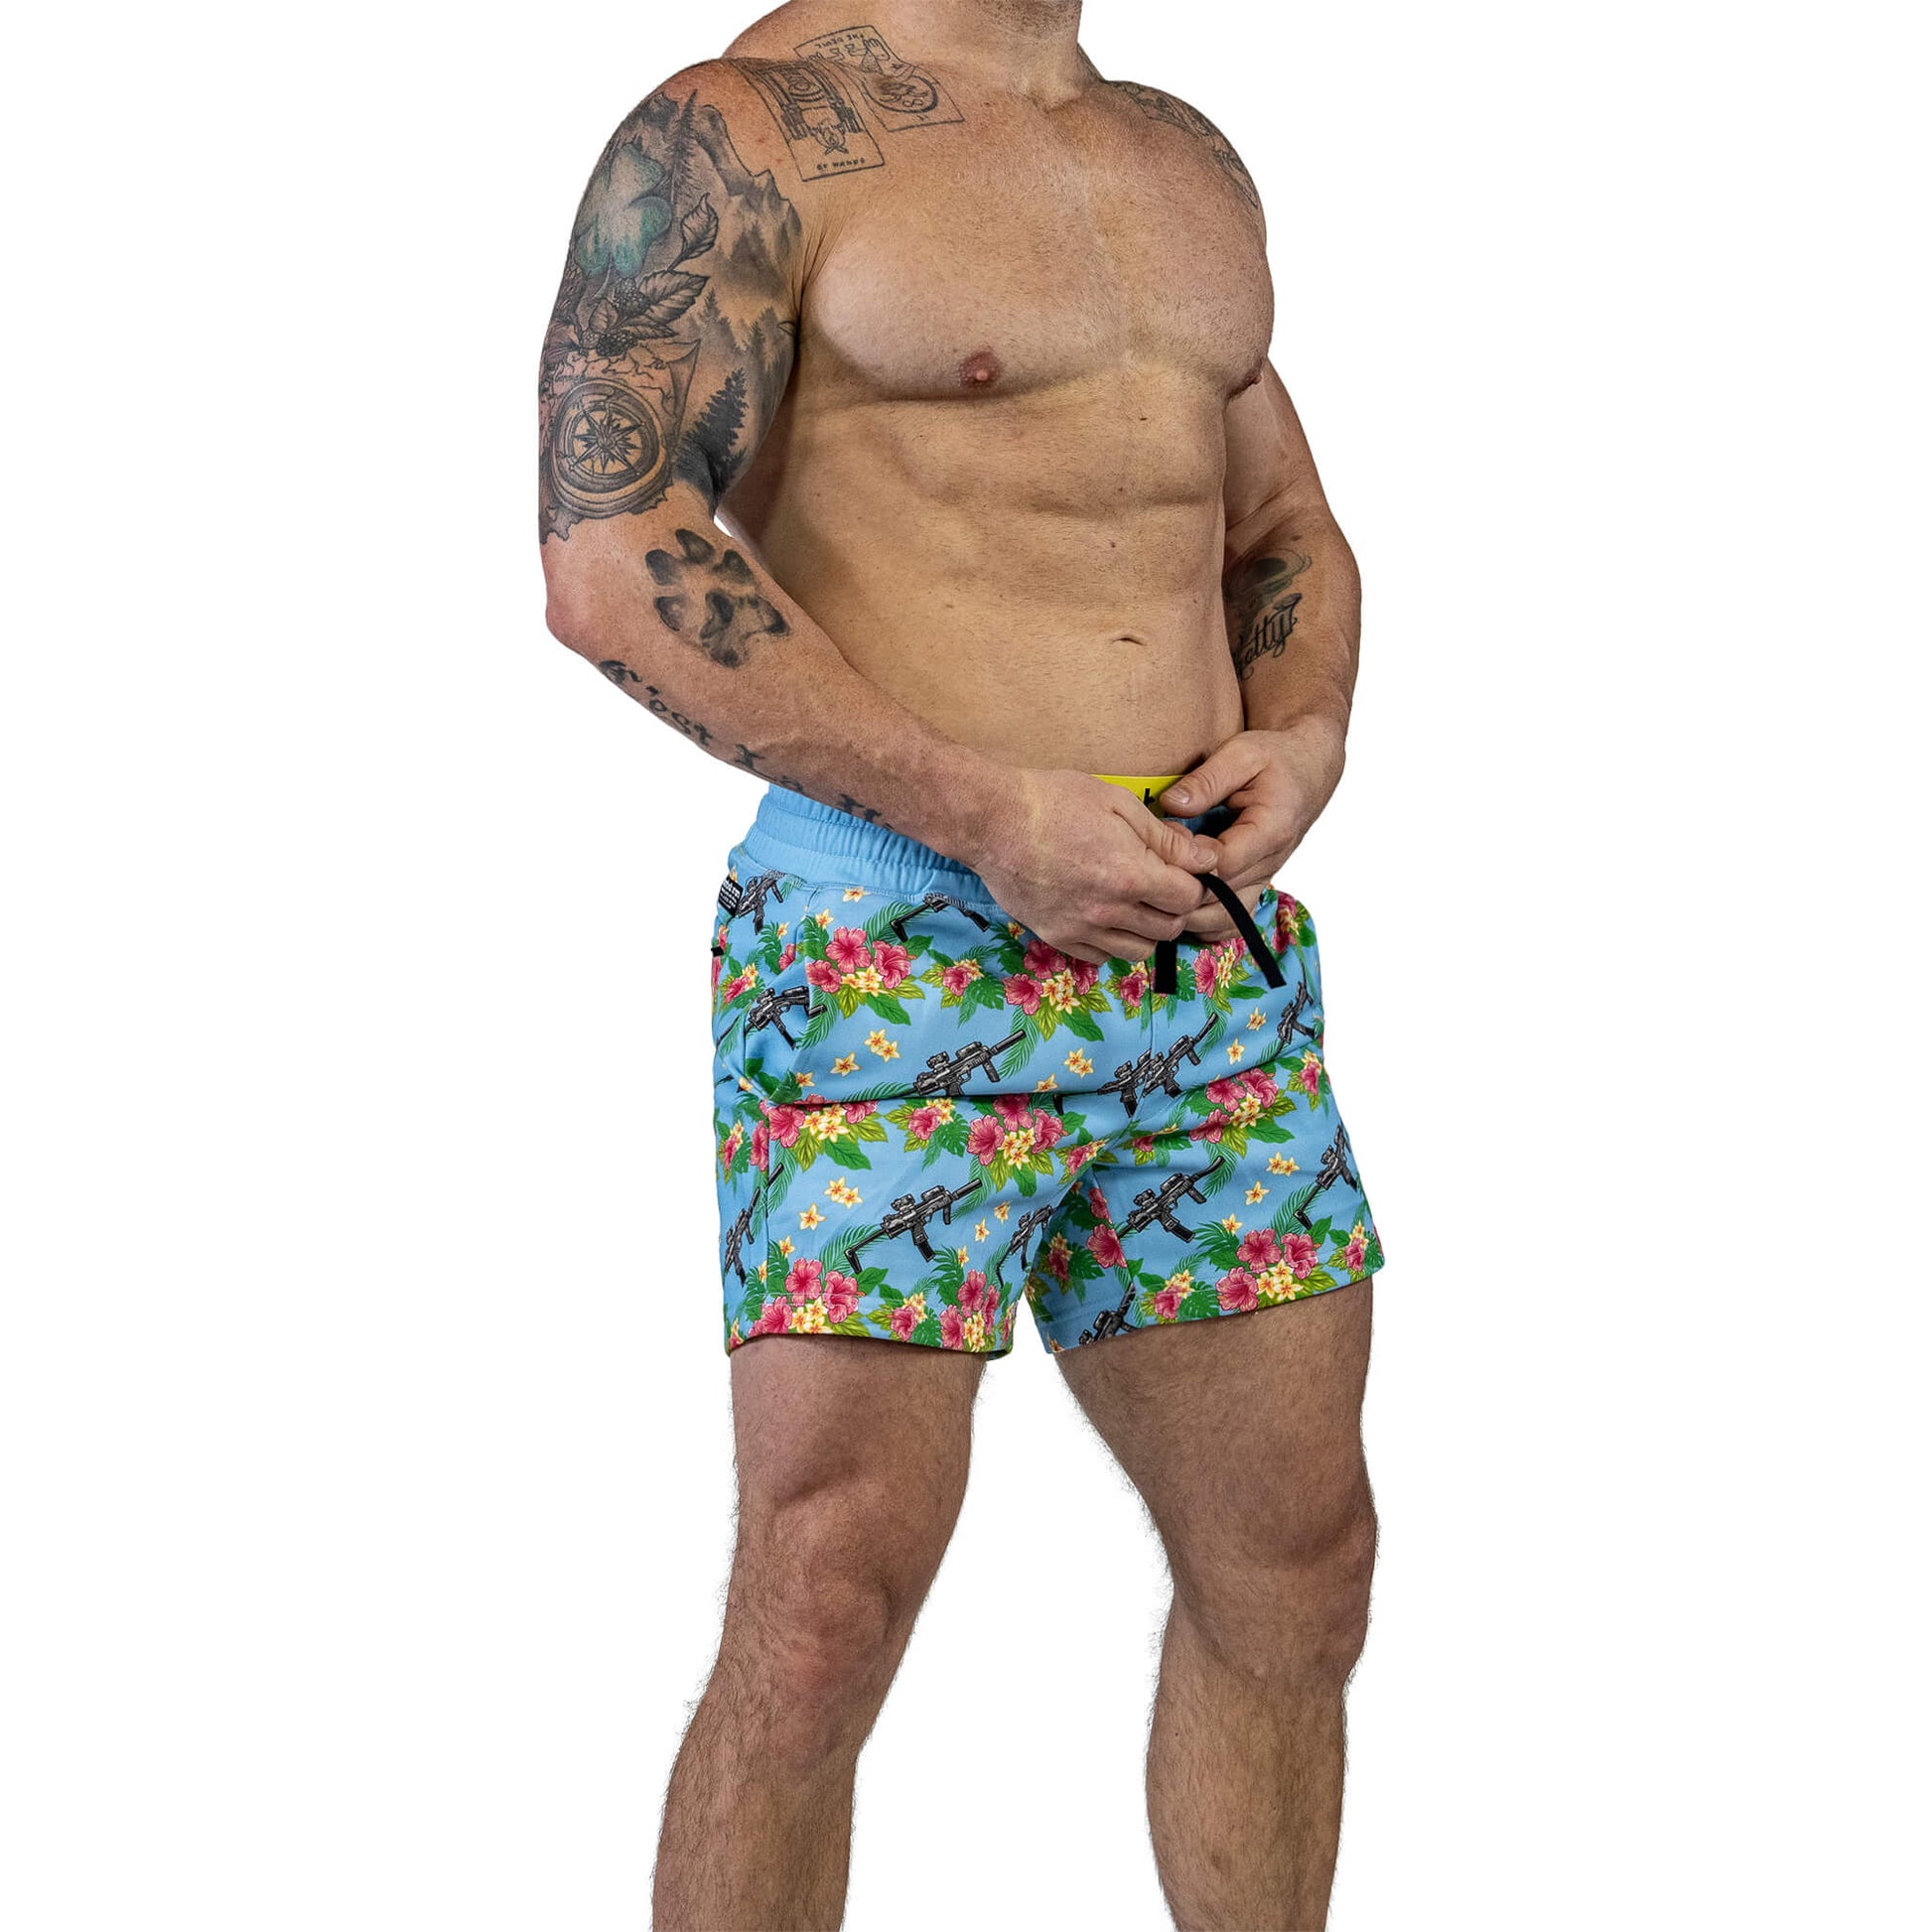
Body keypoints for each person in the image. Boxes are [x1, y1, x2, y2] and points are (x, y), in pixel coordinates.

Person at [538, 4, 1384, 1924]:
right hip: (887, 945)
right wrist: (983, 813)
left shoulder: (1173, 151)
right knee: (825, 1597)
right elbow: (609, 553)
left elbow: (1282, 525)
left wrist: (1307, 728)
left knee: (1297, 1564)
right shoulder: (743, 131)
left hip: (1197, 946)